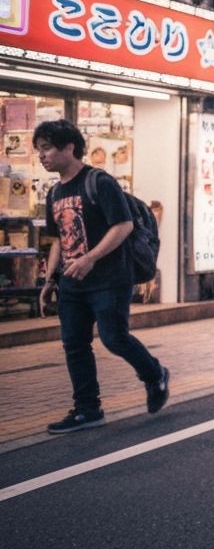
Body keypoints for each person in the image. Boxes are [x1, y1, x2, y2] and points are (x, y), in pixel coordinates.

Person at [33, 120, 169, 434]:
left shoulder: (99, 182)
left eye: (47, 148)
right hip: (72, 282)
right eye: (39, 150)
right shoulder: (54, 193)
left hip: (109, 277)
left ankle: (155, 374)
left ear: (69, 147)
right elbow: (58, 240)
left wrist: (91, 258)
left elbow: (124, 226)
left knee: (114, 338)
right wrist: (50, 280)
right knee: (74, 345)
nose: (42, 156)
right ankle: (87, 409)